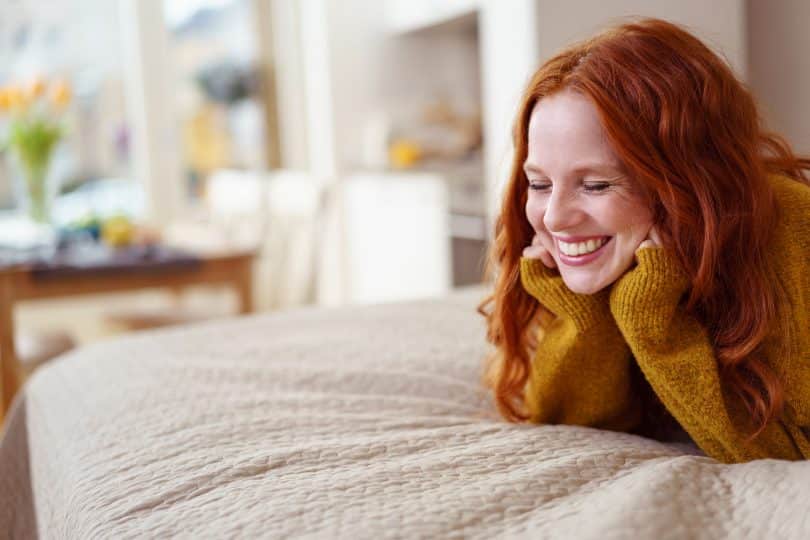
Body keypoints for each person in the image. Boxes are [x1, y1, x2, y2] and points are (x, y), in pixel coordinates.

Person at [478, 18, 810, 464]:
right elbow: (569, 425)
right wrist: (585, 315)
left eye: (596, 185)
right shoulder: (615, 251)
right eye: (539, 184)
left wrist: (653, 321)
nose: (555, 217)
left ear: (686, 183)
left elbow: (787, 454)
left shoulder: (788, 234)